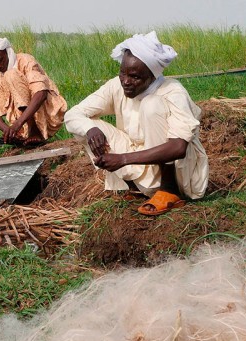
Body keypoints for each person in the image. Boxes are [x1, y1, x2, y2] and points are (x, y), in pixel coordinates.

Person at [64, 31, 208, 215]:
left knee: (151, 105)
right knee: (86, 125)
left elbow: (178, 147)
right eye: (122, 73)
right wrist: (90, 129)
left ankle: (168, 191)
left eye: (135, 77)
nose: (126, 81)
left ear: (152, 76)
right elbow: (72, 115)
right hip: (141, 161)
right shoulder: (116, 86)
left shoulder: (172, 92)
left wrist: (122, 160)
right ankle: (136, 188)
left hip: (180, 174)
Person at [0, 37, 67, 147]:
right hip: (20, 126)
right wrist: (9, 131)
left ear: (7, 52)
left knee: (11, 75)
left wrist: (17, 124)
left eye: (0, 60)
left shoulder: (26, 61)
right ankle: (23, 135)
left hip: (48, 113)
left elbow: (41, 94)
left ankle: (34, 131)